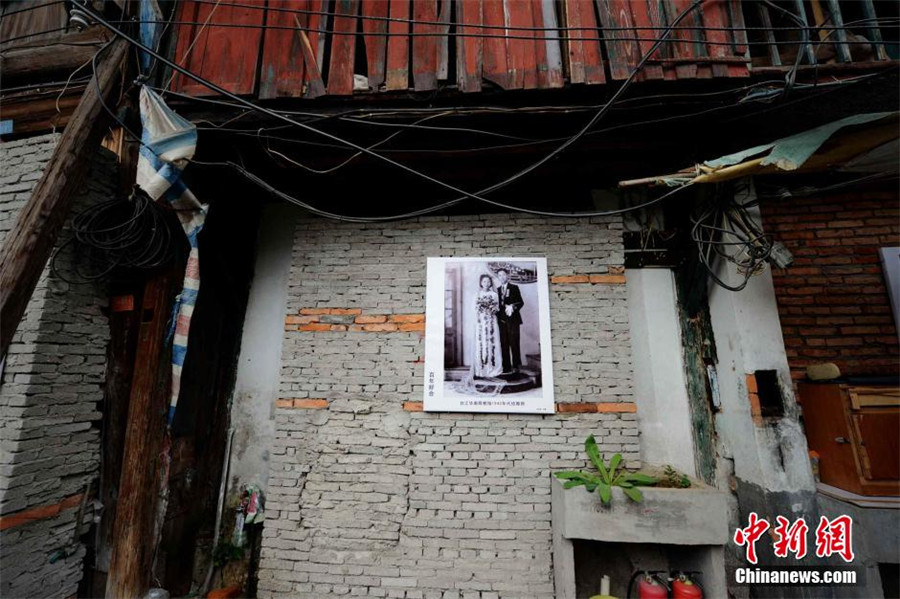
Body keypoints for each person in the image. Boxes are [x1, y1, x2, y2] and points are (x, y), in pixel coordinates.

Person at [472, 274, 503, 378]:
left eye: (488, 282)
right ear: (481, 283)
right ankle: (481, 370)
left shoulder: (494, 294)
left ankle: (493, 368)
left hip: (491, 320)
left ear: (491, 283)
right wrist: (481, 308)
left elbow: (497, 308)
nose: (486, 283)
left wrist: (493, 309)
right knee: (482, 343)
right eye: (484, 281)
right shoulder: (477, 294)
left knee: (492, 342)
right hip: (481, 322)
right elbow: (475, 309)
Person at [495, 268, 524, 374]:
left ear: (507, 276)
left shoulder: (514, 287)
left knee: (514, 343)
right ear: (498, 277)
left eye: (503, 275)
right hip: (502, 322)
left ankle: (516, 366)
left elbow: (521, 302)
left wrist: (513, 307)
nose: (501, 277)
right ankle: (506, 366)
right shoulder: (497, 290)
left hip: (513, 321)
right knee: (504, 344)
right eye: (499, 275)